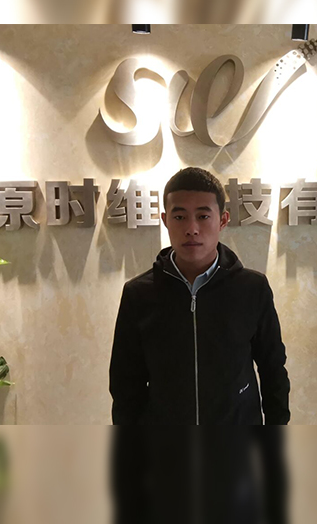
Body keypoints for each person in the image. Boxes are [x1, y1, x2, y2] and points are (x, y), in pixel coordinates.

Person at [109, 167, 290, 425]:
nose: (192, 229)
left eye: (203, 216)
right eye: (180, 217)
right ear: (165, 220)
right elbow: (125, 385)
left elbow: (273, 371)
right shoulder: (138, 294)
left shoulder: (252, 288)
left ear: (223, 220)